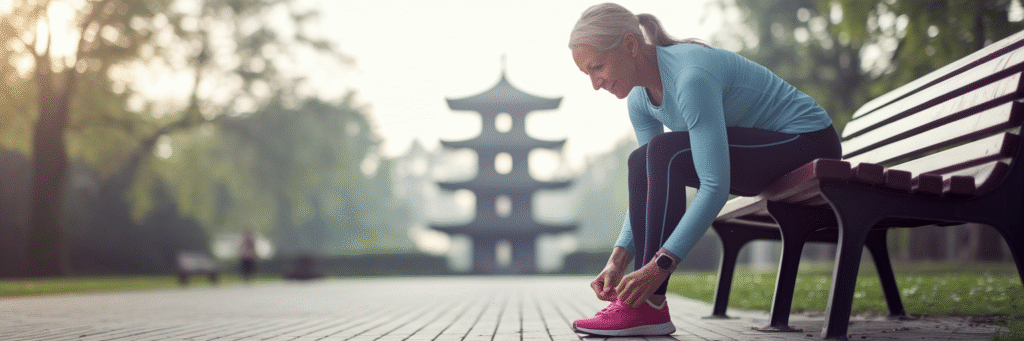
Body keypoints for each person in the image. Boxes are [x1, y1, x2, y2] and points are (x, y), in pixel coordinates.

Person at [568, 3, 842, 336]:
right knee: (641, 159)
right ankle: (645, 307)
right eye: (587, 74)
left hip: (807, 142)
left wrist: (660, 266)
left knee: (665, 151)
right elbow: (647, 179)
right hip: (763, 154)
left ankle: (647, 305)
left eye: (598, 67)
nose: (595, 83)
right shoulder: (639, 100)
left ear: (630, 44)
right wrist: (618, 259)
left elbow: (715, 184)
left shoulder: (690, 77)